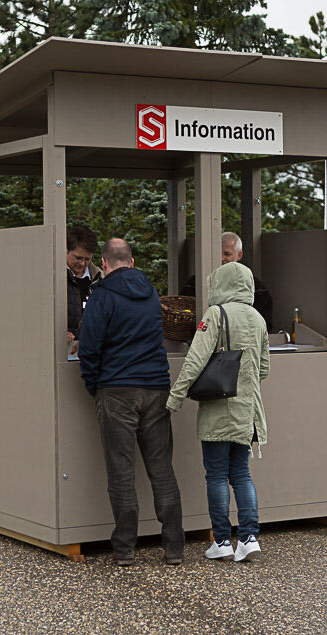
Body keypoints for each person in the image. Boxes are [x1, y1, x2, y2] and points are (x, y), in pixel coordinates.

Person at [77, 238, 185, 567]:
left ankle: (124, 549)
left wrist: (95, 386)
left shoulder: (102, 295)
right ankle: (174, 548)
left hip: (117, 390)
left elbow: (89, 347)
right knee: (162, 471)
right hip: (155, 388)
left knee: (121, 473)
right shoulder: (151, 293)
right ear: (133, 262)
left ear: (105, 265)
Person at [166, 262, 270, 563]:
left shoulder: (216, 314)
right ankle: (249, 538)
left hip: (218, 409)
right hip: (249, 411)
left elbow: (195, 360)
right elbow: (264, 368)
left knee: (216, 475)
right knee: (241, 473)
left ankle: (222, 540)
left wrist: (175, 398)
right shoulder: (258, 318)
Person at [181, 232, 273, 329]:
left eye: (227, 254)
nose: (221, 258)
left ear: (239, 255)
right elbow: (182, 311)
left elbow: (265, 324)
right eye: (217, 253)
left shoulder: (256, 287)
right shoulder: (196, 282)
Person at [66, 226, 102, 345]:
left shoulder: (100, 278)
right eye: (78, 258)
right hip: (63, 350)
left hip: (92, 349)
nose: (82, 263)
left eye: (87, 259)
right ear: (66, 250)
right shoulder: (53, 277)